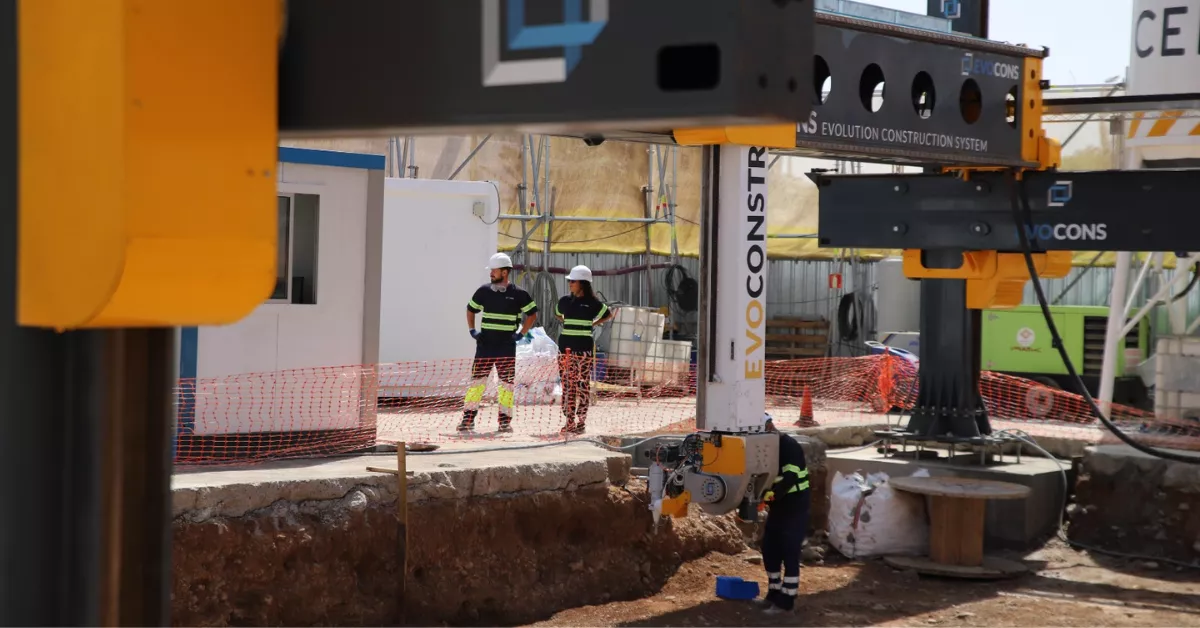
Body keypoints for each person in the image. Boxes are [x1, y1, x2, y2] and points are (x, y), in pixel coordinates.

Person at [459, 253, 538, 434]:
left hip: (506, 346)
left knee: (506, 385)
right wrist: (472, 330)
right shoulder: (484, 291)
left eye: (494, 271)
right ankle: (467, 420)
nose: (491, 274)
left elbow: (532, 314)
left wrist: (521, 333)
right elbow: (470, 310)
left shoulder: (519, 294)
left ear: (504, 272)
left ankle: (504, 422)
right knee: (477, 383)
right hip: (485, 345)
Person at [758, 411, 812, 615]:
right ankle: (773, 593)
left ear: (769, 427)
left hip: (795, 507)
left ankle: (786, 600)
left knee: (789, 551)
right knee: (770, 549)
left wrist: (767, 498)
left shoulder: (789, 447)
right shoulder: (766, 448)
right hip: (779, 507)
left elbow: (788, 479)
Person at [554, 265, 615, 434]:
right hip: (566, 350)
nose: (570, 284)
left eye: (573, 281)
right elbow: (557, 314)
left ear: (583, 283)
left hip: (584, 351)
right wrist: (567, 321)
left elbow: (608, 314)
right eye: (570, 281)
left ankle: (581, 421)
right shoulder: (564, 301)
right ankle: (569, 421)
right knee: (568, 385)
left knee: (582, 385)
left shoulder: (594, 304)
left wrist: (593, 324)